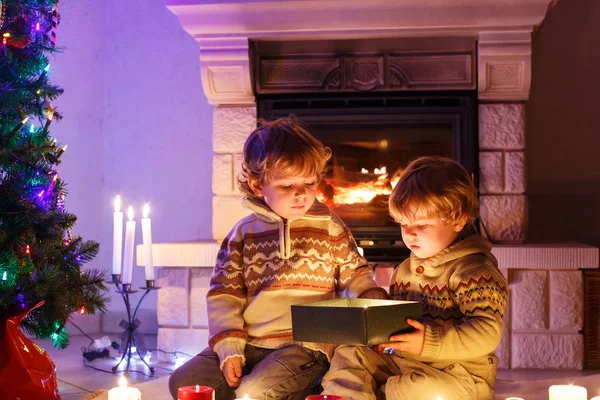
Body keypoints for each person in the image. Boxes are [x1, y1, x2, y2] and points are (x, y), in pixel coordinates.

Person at [168, 117, 387, 400]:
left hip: (305, 346)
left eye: (309, 182)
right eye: (286, 186)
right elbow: (225, 295)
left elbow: (355, 274)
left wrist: (372, 294)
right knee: (184, 382)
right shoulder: (243, 234)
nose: (300, 193)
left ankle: (308, 385)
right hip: (249, 344)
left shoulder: (330, 227)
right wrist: (229, 349)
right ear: (258, 186)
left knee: (254, 391)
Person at [321, 156, 508, 400]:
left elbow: (486, 332)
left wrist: (428, 343)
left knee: (418, 390)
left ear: (458, 219)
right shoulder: (404, 270)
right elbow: (401, 321)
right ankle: (344, 396)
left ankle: (381, 392)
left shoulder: (474, 272)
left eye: (422, 225)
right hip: (404, 363)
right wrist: (380, 329)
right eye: (403, 223)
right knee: (349, 354)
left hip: (458, 375)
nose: (409, 233)